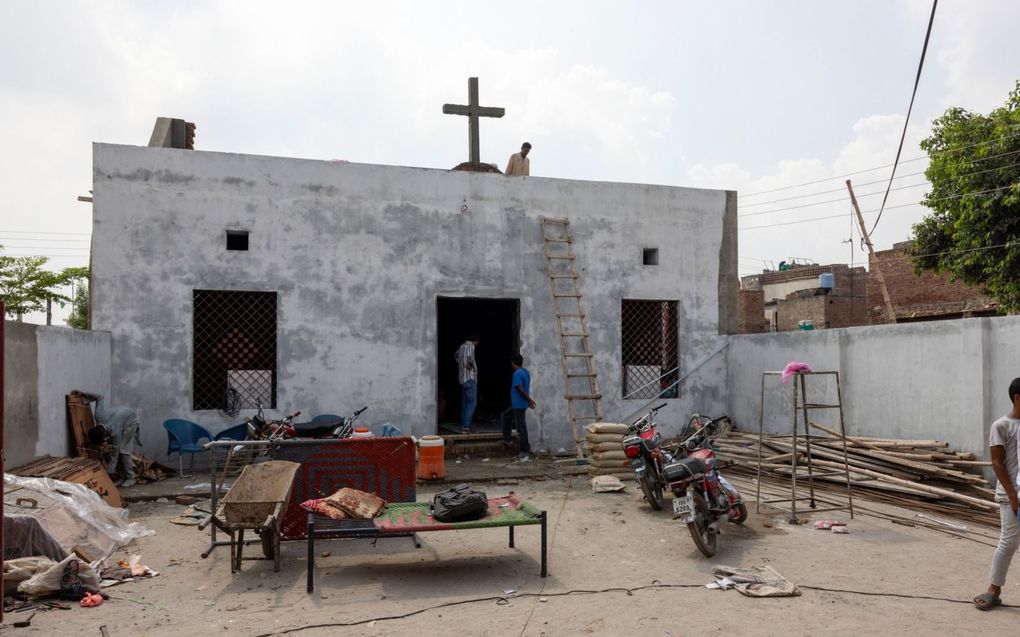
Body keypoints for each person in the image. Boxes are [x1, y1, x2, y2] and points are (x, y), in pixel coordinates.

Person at [974, 377, 1020, 610]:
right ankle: (994, 589)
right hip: (1011, 494)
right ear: (1017, 398)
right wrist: (1013, 496)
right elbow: (997, 463)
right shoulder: (1001, 425)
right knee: (1009, 542)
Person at [77, 390, 142, 487]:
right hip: (121, 417)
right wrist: (83, 393)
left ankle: (131, 477)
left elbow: (115, 453)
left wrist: (108, 472)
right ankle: (121, 476)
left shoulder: (115, 431)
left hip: (131, 423)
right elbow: (100, 396)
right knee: (116, 450)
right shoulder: (99, 416)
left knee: (123, 451)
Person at [501, 354, 536, 461]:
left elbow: (520, 389)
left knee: (521, 428)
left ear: (513, 363)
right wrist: (528, 400)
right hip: (519, 404)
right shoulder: (525, 372)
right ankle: (507, 439)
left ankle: (524, 451)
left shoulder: (517, 373)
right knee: (505, 416)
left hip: (518, 405)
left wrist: (529, 399)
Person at [455, 333, 480, 433]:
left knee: (465, 402)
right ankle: (466, 427)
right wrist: (473, 368)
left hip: (462, 379)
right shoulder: (470, 346)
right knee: (472, 403)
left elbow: (456, 356)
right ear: (476, 341)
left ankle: (463, 424)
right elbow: (470, 357)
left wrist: (461, 363)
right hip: (470, 378)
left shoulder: (461, 347)